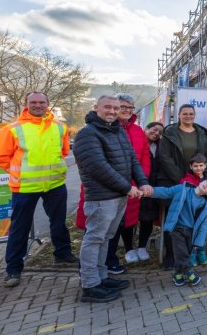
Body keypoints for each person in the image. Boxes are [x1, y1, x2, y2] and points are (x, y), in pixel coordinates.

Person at [74, 95, 152, 303]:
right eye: (107, 107)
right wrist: (127, 187)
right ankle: (90, 285)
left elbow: (133, 159)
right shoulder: (87, 134)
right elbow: (99, 167)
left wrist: (142, 182)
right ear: (96, 107)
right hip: (102, 197)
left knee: (106, 238)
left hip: (118, 196)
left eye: (115, 108)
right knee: (95, 239)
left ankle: (101, 276)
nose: (112, 111)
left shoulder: (117, 130)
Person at [0, 91, 76, 288]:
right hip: (25, 186)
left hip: (55, 184)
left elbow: (64, 152)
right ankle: (13, 268)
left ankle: (62, 254)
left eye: (42, 102)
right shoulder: (12, 129)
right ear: (26, 104)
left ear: (48, 104)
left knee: (58, 223)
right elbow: (1, 157)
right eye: (34, 102)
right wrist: (19, 173)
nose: (38, 105)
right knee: (19, 227)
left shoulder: (60, 128)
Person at [157, 104, 207, 269]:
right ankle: (171, 257)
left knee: (192, 219)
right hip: (176, 181)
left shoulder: (201, 133)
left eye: (191, 114)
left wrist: (202, 177)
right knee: (174, 220)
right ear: (179, 116)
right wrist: (182, 179)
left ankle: (191, 254)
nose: (188, 116)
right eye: (185, 114)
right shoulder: (170, 133)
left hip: (197, 183)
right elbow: (165, 157)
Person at [146, 180, 207, 287]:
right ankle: (189, 272)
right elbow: (166, 192)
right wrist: (149, 191)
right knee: (181, 252)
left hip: (190, 231)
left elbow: (203, 226)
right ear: (201, 182)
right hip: (176, 228)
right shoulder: (182, 189)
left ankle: (177, 274)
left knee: (182, 253)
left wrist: (198, 243)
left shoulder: (204, 204)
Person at [179, 154, 207, 266]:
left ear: (206, 165)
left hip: (205, 214)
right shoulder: (186, 180)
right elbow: (184, 196)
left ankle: (201, 253)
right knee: (192, 235)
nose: (199, 168)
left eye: (201, 165)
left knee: (203, 234)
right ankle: (192, 255)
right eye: (196, 166)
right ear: (191, 166)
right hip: (191, 215)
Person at [135, 121, 164, 261]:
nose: (157, 133)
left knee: (148, 218)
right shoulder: (136, 143)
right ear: (146, 128)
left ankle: (141, 246)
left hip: (152, 188)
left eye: (160, 132)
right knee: (130, 218)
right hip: (135, 185)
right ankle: (129, 248)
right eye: (154, 129)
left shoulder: (160, 147)